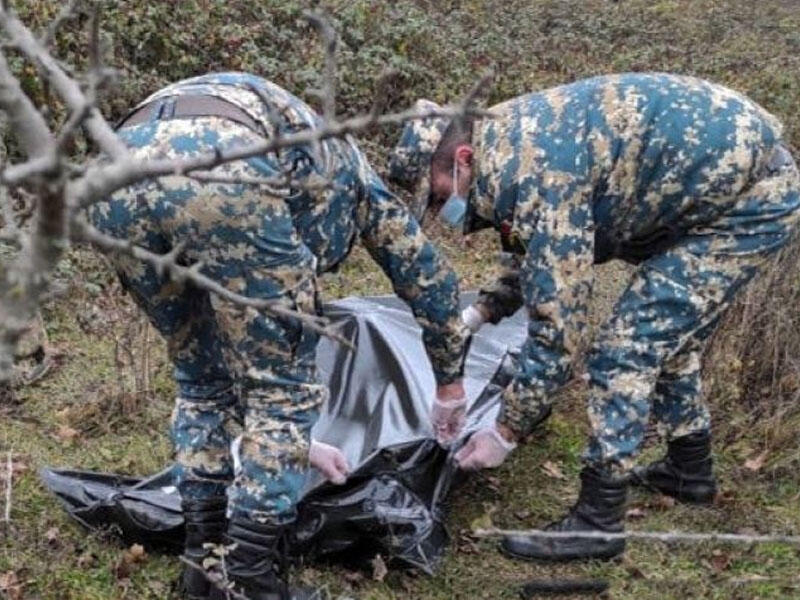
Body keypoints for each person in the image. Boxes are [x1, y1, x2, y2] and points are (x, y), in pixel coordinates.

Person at [387, 73, 800, 561]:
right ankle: (690, 470)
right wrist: (482, 311)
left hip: (750, 202)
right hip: (717, 189)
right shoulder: (506, 143)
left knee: (624, 351)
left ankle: (598, 522)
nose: (440, 213)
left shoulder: (535, 169)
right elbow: (533, 250)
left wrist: (506, 430)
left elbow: (558, 326)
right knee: (670, 336)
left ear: (463, 160)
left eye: (436, 197)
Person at [89, 72, 469, 599]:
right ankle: (251, 580)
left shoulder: (313, 148)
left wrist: (293, 444)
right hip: (223, 164)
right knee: (283, 389)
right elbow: (432, 286)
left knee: (200, 381)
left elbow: (231, 345)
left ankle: (203, 570)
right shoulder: (360, 182)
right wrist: (450, 385)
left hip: (114, 166)